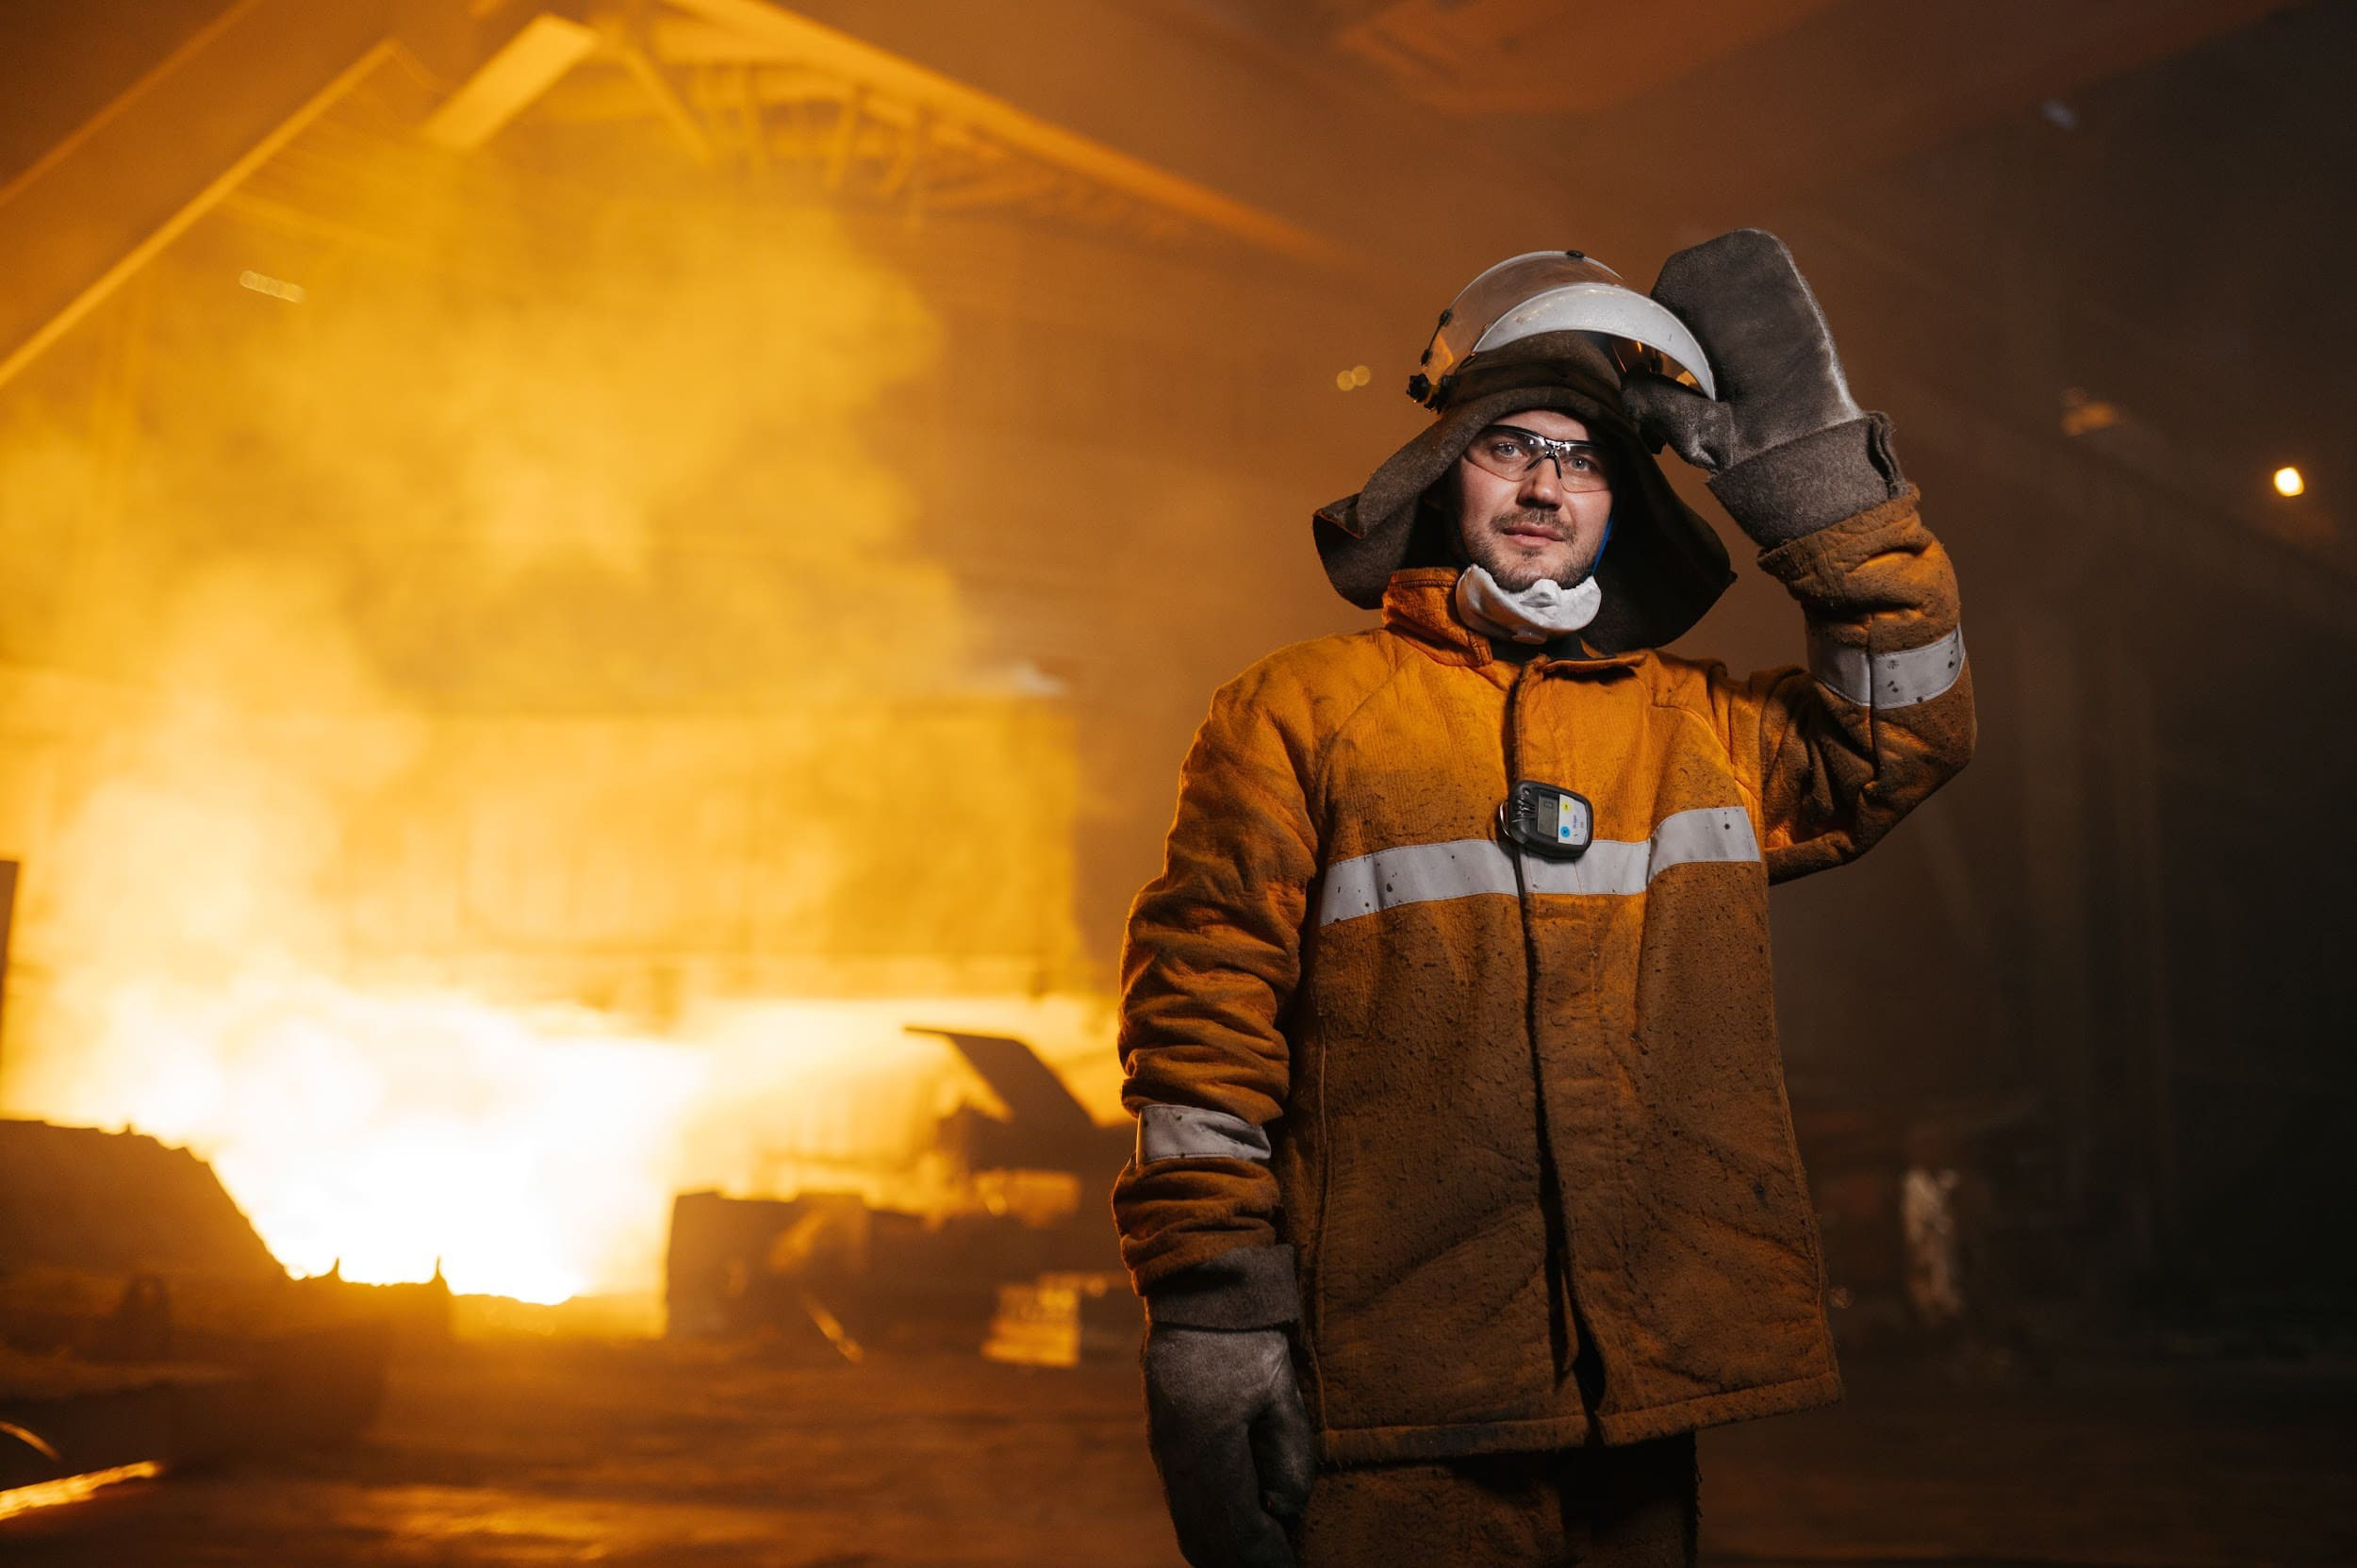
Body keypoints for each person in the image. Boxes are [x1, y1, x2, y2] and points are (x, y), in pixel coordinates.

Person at [1110, 230, 1976, 1567]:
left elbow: (1903, 733)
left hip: (1637, 1387)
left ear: (1621, 504)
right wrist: (1214, 1314)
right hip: (1400, 1394)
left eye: (1584, 460)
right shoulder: (1300, 714)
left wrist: (1811, 480)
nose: (1544, 485)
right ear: (1441, 471)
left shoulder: (1697, 730)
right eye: (1509, 446)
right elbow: (1200, 1028)